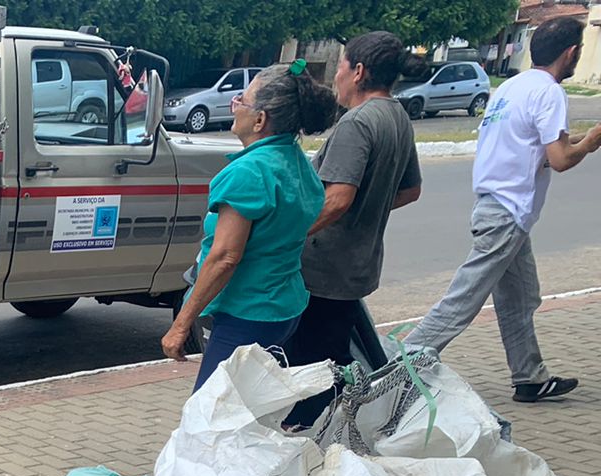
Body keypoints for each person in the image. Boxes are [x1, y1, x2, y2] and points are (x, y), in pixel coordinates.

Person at [404, 16, 601, 401]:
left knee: (521, 297)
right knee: (464, 297)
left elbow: (536, 150)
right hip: (508, 213)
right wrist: (591, 141)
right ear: (572, 53)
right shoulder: (550, 93)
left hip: (498, 208)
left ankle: (529, 377)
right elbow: (559, 159)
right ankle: (402, 362)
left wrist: (578, 140)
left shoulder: (511, 88)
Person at [162, 62, 339, 389]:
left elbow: (225, 257)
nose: (234, 106)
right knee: (249, 412)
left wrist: (181, 323)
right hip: (284, 307)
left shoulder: (248, 173)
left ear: (260, 119)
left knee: (214, 420)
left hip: (247, 315)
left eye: (241, 100)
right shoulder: (296, 163)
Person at [287, 33, 423, 374]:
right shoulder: (398, 117)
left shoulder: (358, 122)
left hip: (323, 272)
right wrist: (369, 205)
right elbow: (410, 191)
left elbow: (337, 198)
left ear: (358, 71)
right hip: (355, 267)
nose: (337, 76)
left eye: (341, 66)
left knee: (313, 371)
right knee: (334, 360)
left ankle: (314, 425)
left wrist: (288, 237)